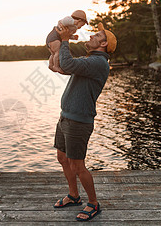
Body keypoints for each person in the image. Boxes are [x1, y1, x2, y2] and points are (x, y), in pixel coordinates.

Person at [52, 22, 117, 221]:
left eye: (96, 35)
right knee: (63, 158)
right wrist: (59, 50)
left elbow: (69, 64)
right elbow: (66, 67)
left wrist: (64, 41)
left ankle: (94, 204)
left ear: (104, 43)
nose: (91, 36)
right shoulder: (90, 60)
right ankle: (73, 196)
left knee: (78, 166)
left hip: (79, 121)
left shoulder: (98, 63)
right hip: (66, 116)